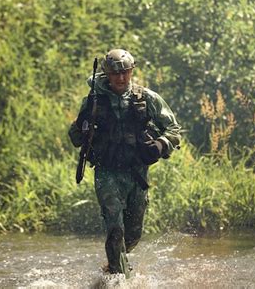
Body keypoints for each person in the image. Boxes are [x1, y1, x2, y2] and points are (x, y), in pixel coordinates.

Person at [68, 49, 181, 275]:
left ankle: (113, 266)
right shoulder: (93, 101)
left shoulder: (146, 98)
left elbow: (173, 129)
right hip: (107, 173)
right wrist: (83, 123)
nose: (121, 78)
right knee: (115, 229)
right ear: (106, 75)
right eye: (115, 74)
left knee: (133, 234)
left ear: (132, 71)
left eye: (125, 73)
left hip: (136, 173)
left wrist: (160, 145)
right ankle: (121, 280)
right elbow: (75, 137)